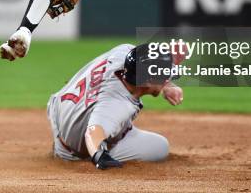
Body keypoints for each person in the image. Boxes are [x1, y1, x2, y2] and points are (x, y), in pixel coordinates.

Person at [47, 43, 184, 169]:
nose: (167, 78)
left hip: (60, 108)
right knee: (160, 147)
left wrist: (166, 84)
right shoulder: (116, 104)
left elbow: (145, 59)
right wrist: (99, 155)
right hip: (72, 148)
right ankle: (72, 155)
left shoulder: (124, 53)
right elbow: (93, 133)